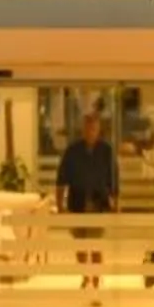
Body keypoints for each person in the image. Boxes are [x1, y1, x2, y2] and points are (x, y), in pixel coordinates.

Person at [56, 113, 120, 291]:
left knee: (96, 243)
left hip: (98, 203)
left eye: (93, 128)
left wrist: (115, 202)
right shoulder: (73, 151)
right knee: (80, 244)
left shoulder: (106, 150)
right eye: (87, 128)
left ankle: (97, 278)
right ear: (83, 130)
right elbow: (61, 178)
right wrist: (60, 204)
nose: (90, 131)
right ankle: (85, 276)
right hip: (77, 202)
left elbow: (114, 177)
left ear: (98, 130)